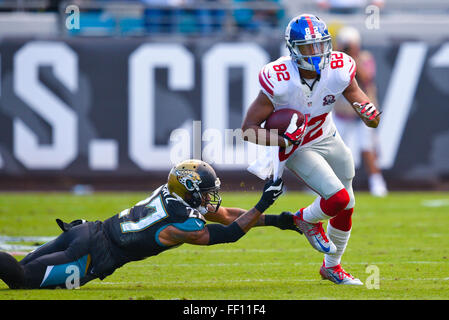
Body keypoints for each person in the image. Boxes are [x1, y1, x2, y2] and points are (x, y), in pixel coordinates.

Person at [0, 159, 297, 289]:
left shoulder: (171, 193)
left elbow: (227, 215)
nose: (210, 198)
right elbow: (230, 233)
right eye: (205, 192)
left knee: (19, 269)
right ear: (191, 192)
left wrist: (276, 221)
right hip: (91, 256)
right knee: (22, 279)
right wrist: (264, 202)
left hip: (87, 231)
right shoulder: (183, 224)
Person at [242, 14, 381, 285]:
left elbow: (364, 108)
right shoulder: (279, 78)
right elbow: (248, 129)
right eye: (308, 47)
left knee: (347, 204)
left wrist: (370, 114)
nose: (317, 53)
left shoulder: (339, 67)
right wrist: (283, 141)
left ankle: (332, 267)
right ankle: (302, 219)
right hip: (297, 144)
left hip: (326, 134)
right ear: (294, 50)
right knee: (338, 198)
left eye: (320, 45)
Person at [332, 25, 388, 197]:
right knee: (333, 149)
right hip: (342, 112)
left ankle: (377, 183)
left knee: (367, 148)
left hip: (362, 113)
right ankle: (327, 184)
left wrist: (352, 58)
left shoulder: (364, 58)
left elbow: (366, 77)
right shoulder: (335, 60)